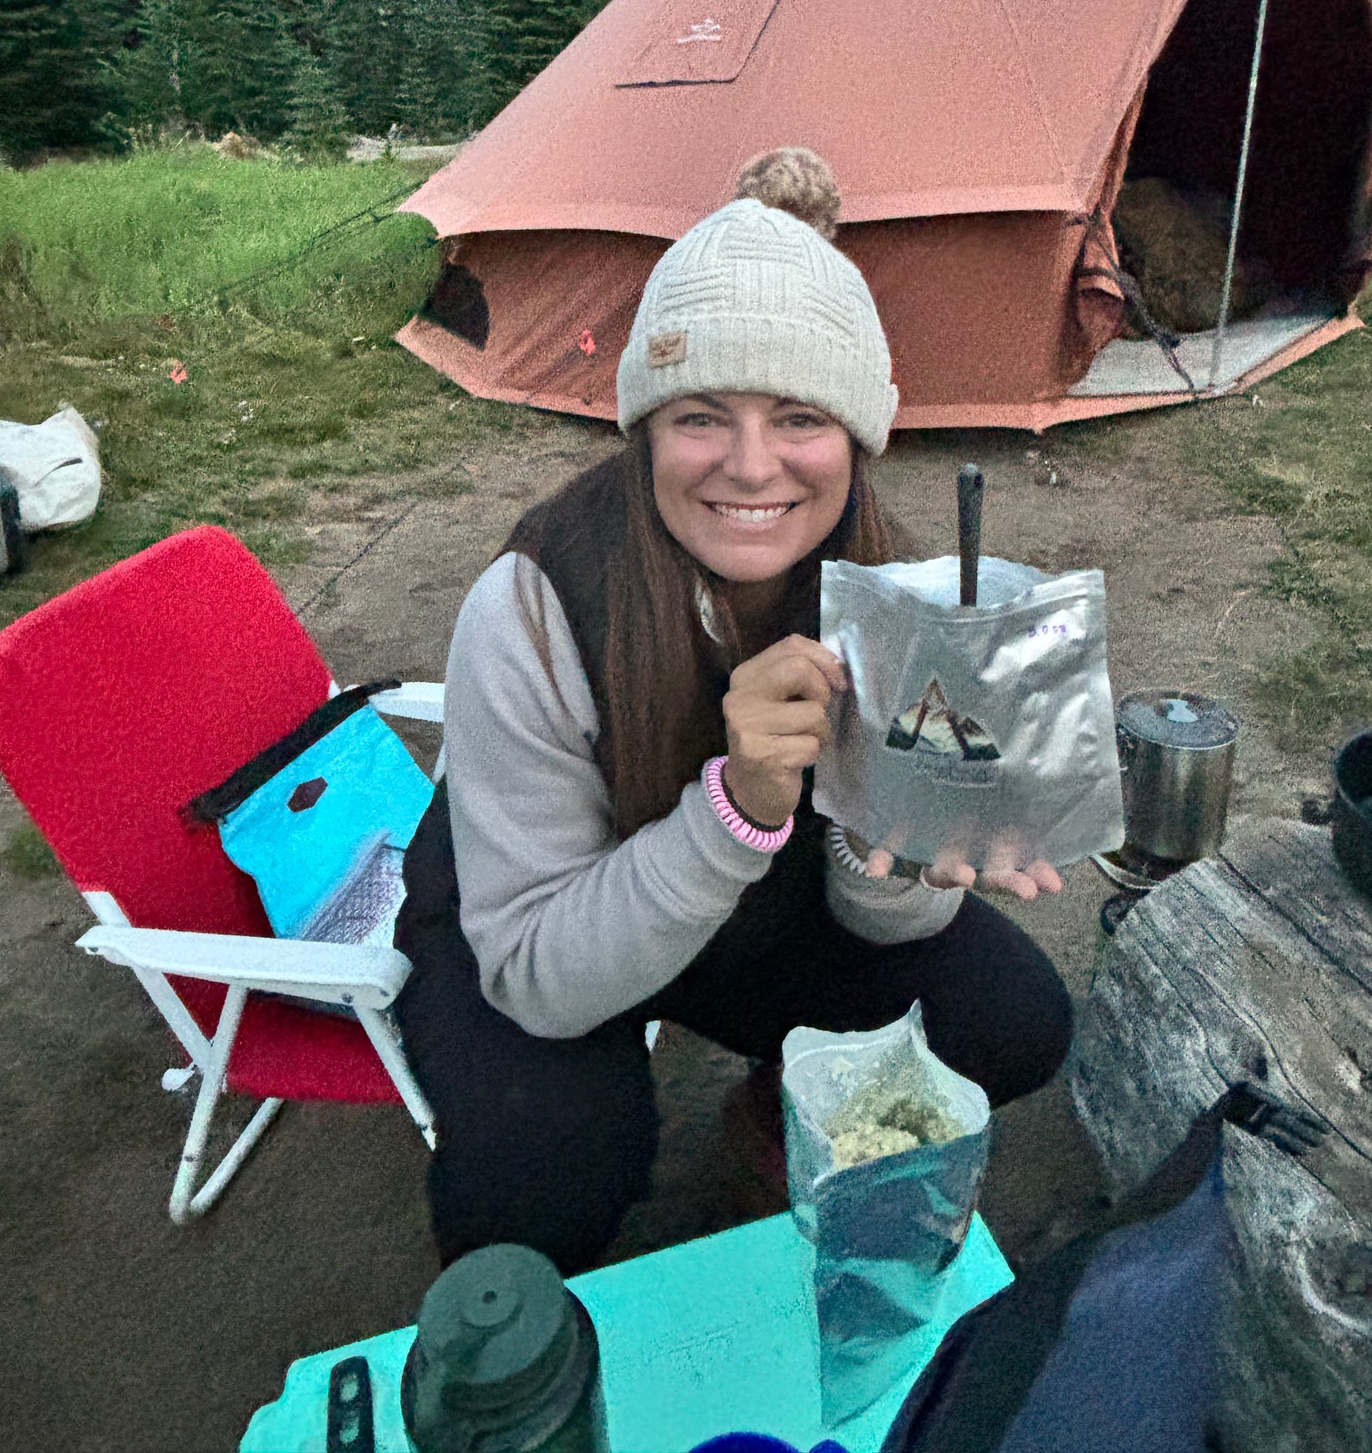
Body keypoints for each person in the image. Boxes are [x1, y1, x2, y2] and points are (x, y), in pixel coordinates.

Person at [395, 150, 1072, 1277]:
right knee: (539, 1187)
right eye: (701, 415)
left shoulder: (882, 586)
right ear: (646, 429)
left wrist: (884, 845)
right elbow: (538, 977)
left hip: (732, 905)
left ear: (856, 438)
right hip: (536, 916)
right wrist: (738, 806)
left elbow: (886, 923)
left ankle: (778, 1097)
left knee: (1010, 1017)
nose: (751, 468)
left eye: (799, 415)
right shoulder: (529, 604)